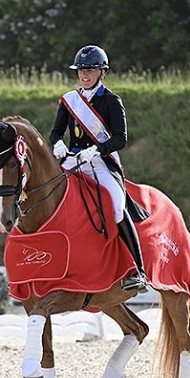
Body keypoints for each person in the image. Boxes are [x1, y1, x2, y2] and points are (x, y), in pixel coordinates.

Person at [49, 45, 148, 292]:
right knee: (47, 194)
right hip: (73, 160)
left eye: (90, 70)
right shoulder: (70, 100)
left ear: (102, 72)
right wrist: (58, 143)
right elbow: (55, 131)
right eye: (81, 70)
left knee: (116, 206)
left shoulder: (112, 101)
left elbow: (120, 138)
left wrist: (97, 149)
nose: (84, 74)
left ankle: (139, 270)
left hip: (101, 162)